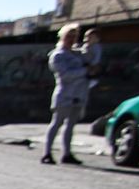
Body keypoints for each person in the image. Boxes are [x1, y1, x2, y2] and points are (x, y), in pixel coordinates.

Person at [43, 24, 101, 165]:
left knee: (71, 126)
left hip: (79, 94)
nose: (71, 39)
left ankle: (67, 153)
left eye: (74, 36)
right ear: (62, 37)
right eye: (68, 36)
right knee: (57, 123)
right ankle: (47, 153)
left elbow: (94, 57)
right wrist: (85, 71)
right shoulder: (58, 55)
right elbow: (65, 75)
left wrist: (93, 42)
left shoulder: (78, 54)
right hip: (64, 94)